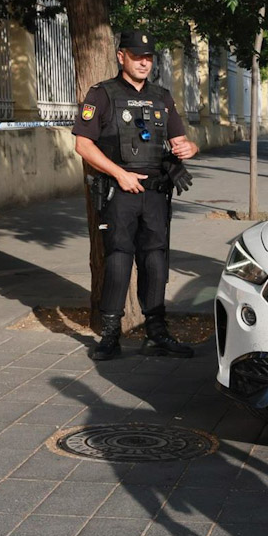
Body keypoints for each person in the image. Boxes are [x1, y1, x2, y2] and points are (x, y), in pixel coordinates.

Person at [73, 30, 198, 361]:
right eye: (136, 56)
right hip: (119, 193)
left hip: (156, 193)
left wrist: (190, 148)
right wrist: (119, 174)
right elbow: (82, 145)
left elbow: (182, 141)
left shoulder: (161, 96)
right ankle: (110, 334)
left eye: (148, 57)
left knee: (155, 260)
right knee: (117, 260)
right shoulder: (102, 95)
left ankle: (157, 331)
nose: (144, 62)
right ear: (121, 57)